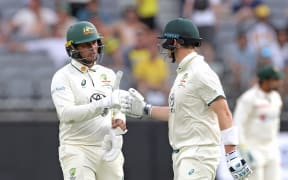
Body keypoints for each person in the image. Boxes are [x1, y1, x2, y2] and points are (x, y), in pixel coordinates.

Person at [122, 18, 252, 179]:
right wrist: (146, 109)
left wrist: (231, 154)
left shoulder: (199, 71)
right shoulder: (184, 73)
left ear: (175, 42)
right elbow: (177, 112)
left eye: (166, 41)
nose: (164, 47)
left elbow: (223, 111)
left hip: (199, 153)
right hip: (185, 153)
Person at [50, 21, 130, 180]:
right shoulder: (62, 76)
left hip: (108, 147)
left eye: (94, 42)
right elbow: (66, 114)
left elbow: (116, 107)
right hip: (77, 148)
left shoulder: (108, 74)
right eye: (85, 45)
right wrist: (102, 104)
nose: (93, 48)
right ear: (73, 48)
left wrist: (120, 119)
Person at [233, 65, 283, 180]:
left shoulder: (276, 97)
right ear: (266, 80)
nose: (279, 83)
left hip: (272, 148)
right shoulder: (248, 98)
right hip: (253, 148)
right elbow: (237, 123)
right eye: (275, 80)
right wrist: (244, 148)